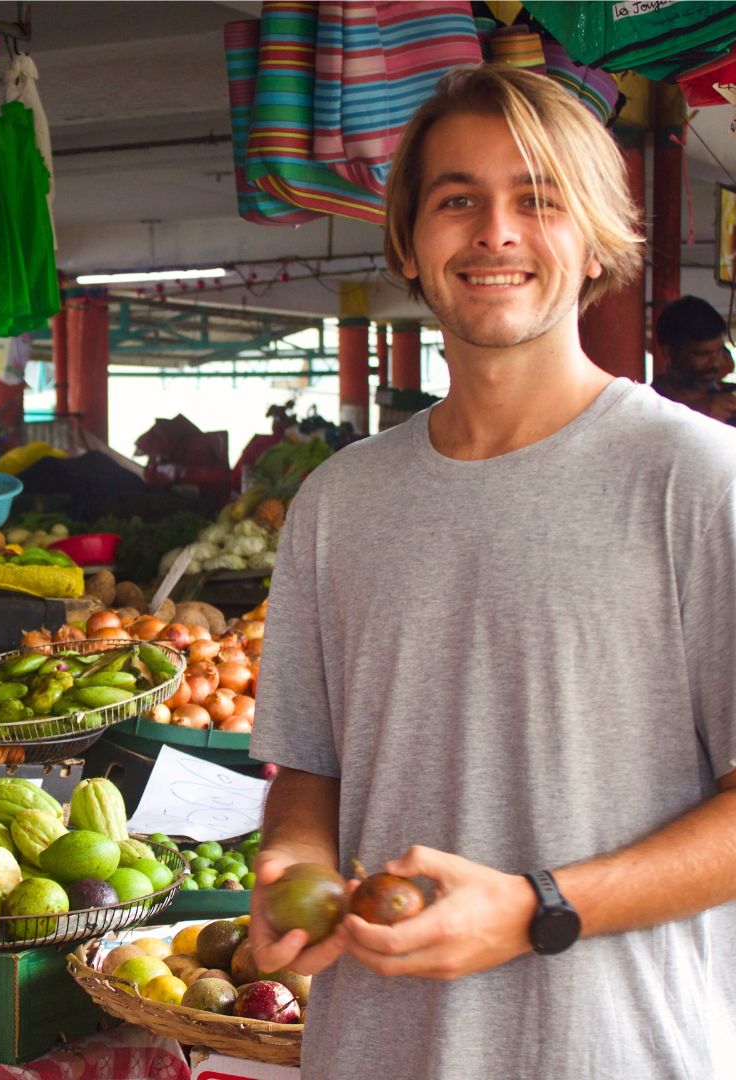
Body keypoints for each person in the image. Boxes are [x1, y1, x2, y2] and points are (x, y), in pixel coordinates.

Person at [249, 64, 736, 1080]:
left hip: (620, 1050)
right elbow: (312, 769)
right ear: (412, 242)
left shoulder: (696, 478)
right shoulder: (340, 503)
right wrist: (294, 862)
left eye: (537, 199)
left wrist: (536, 909)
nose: (496, 232)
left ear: (597, 235)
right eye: (457, 199)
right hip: (375, 1051)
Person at [652, 294, 736, 423]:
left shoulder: (729, 396)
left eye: (719, 350)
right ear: (669, 352)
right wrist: (693, 413)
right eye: (702, 354)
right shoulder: (647, 403)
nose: (715, 362)